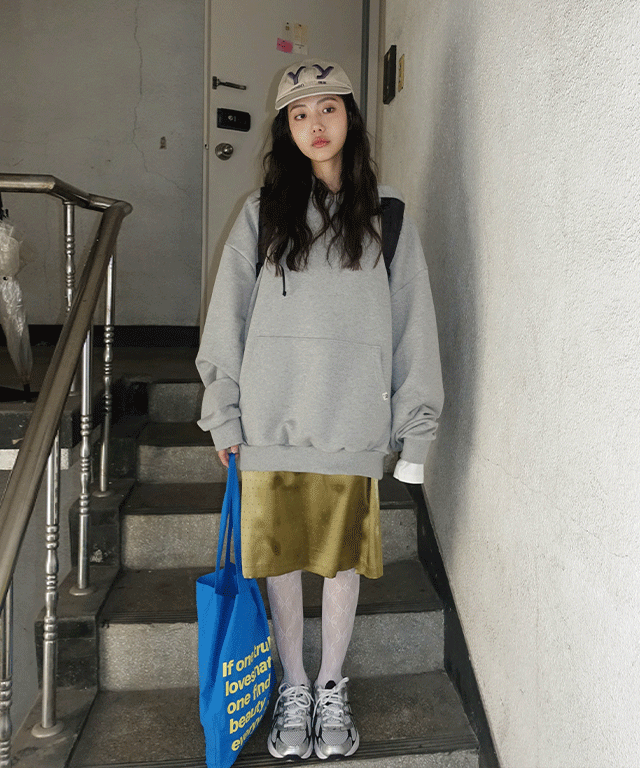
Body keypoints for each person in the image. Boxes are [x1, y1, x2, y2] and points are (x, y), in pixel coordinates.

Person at [196, 59, 444, 761]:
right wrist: (224, 413)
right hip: (271, 423)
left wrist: (417, 432)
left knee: (339, 566)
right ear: (286, 130)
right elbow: (226, 321)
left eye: (328, 108)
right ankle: (295, 685)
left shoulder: (388, 215)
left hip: (350, 426)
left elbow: (414, 327)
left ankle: (332, 683)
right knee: (278, 562)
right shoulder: (260, 214)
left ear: (350, 119)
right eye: (299, 114)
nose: (315, 124)